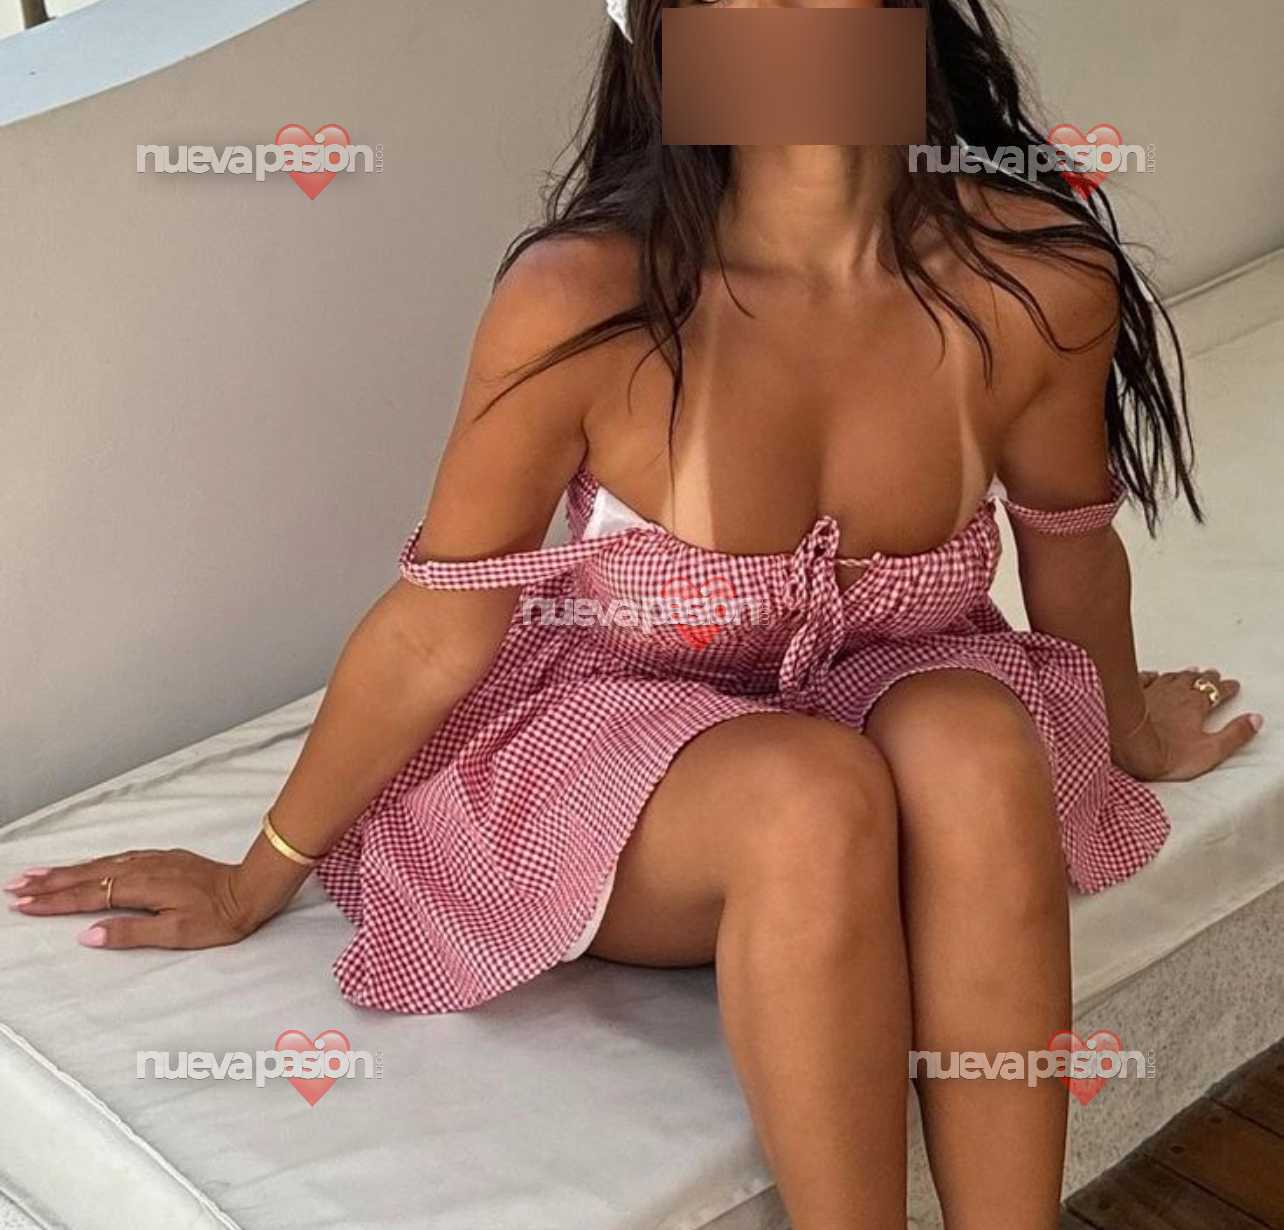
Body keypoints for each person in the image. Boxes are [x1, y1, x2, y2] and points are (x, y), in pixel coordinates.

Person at [7, 2, 1261, 1225]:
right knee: (809, 795)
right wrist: (257, 877)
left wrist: (1124, 734)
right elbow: (440, 623)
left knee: (983, 747)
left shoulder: (1035, 277)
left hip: (891, 684)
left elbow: (1069, 552)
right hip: (635, 755)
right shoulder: (588, 295)